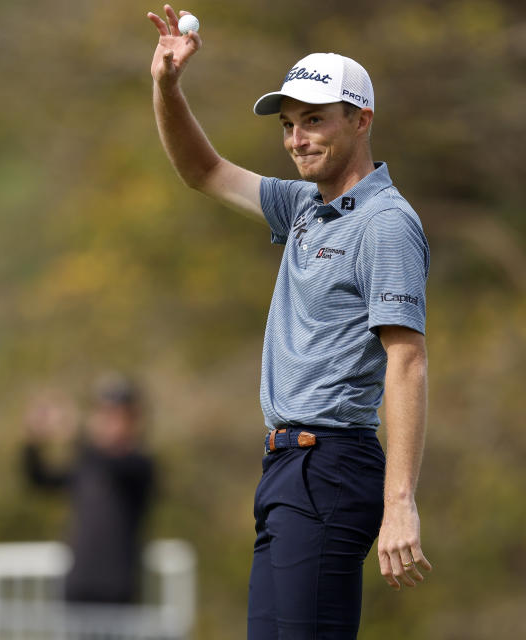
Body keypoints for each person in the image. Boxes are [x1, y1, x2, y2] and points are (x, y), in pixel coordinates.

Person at [147, 6, 432, 638]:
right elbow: (204, 171)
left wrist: (400, 503)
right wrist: (167, 87)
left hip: (332, 465)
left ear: (362, 121)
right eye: (287, 125)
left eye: (313, 121)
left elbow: (406, 361)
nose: (296, 139)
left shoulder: (386, 223)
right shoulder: (305, 205)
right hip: (285, 468)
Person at [21, 376, 155, 604]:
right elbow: (39, 481)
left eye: (116, 416)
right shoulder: (86, 465)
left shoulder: (139, 466)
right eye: (104, 414)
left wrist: (73, 432)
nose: (108, 423)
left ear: (133, 420)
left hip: (117, 593)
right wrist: (33, 441)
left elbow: (109, 463)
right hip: (78, 588)